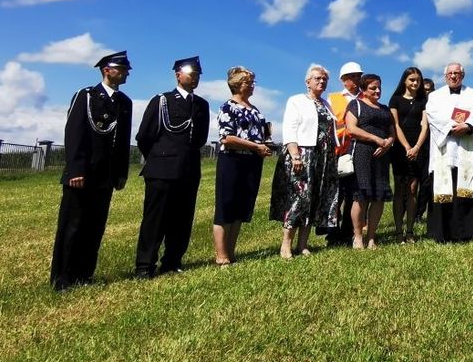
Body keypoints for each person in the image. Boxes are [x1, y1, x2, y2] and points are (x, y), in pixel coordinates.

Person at [50, 51, 133, 291]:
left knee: (95, 225)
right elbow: (74, 134)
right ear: (107, 70)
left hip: (105, 174)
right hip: (83, 172)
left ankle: (85, 273)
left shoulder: (124, 102)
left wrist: (121, 173)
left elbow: (122, 140)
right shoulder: (86, 96)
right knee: (72, 225)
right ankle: (63, 277)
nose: (127, 72)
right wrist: (75, 168)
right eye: (122, 68)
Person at [134, 56, 211, 278]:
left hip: (188, 170)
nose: (195, 77)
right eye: (191, 73)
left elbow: (199, 139)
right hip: (161, 170)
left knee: (182, 219)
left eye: (198, 75)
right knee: (154, 220)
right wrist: (159, 158)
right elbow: (145, 136)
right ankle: (144, 265)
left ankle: (172, 260)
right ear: (178, 74)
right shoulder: (162, 101)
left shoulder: (201, 105)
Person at [270, 64, 341, 258]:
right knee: (298, 198)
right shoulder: (296, 101)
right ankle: (286, 244)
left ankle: (303, 244)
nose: (321, 81)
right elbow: (290, 128)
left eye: (324, 79)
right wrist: (295, 155)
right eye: (317, 78)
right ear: (307, 82)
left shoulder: (326, 104)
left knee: (314, 198)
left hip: (324, 156)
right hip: (303, 153)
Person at [212, 66, 273, 265]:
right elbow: (227, 138)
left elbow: (263, 135)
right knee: (226, 206)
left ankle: (231, 251)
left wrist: (264, 145)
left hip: (252, 162)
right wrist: (256, 146)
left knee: (241, 207)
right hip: (232, 160)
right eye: (249, 82)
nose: (253, 86)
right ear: (238, 84)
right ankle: (221, 256)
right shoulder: (228, 107)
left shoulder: (255, 110)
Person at [425, 63, 473, 242]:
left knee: (469, 193)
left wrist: (467, 126)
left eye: (457, 73)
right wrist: (453, 128)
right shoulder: (435, 96)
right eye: (450, 73)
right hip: (445, 149)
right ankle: (445, 234)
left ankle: (470, 233)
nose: (453, 76)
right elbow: (433, 115)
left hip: (468, 149)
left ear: (463, 75)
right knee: (447, 191)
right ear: (445, 76)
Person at [345, 73, 396, 248]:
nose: (377, 90)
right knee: (361, 195)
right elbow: (351, 128)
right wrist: (376, 139)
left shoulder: (385, 109)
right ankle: (358, 236)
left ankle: (372, 236)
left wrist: (388, 142)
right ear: (364, 90)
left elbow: (392, 131)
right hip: (362, 153)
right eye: (373, 88)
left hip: (383, 156)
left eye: (379, 87)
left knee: (379, 196)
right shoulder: (356, 104)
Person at [326, 61, 364, 246]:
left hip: (359, 151)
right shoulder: (333, 99)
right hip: (338, 151)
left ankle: (349, 231)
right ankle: (332, 234)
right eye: (352, 76)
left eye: (358, 76)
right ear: (343, 80)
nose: (356, 79)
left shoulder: (366, 98)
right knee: (336, 194)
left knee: (354, 194)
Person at [389, 66, 428, 243]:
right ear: (405, 80)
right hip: (399, 148)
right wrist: (406, 147)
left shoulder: (423, 100)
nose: (415, 83)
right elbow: (395, 125)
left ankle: (410, 230)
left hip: (417, 147)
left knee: (413, 189)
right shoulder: (395, 99)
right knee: (399, 189)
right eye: (412, 79)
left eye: (417, 80)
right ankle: (398, 231)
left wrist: (417, 147)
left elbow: (425, 126)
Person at [415, 76, 437, 222]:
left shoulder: (436, 105)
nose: (427, 93)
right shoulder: (416, 105)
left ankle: (420, 213)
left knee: (427, 182)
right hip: (415, 146)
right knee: (411, 183)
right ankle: (411, 213)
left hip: (432, 147)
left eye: (429, 90)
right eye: (424, 90)